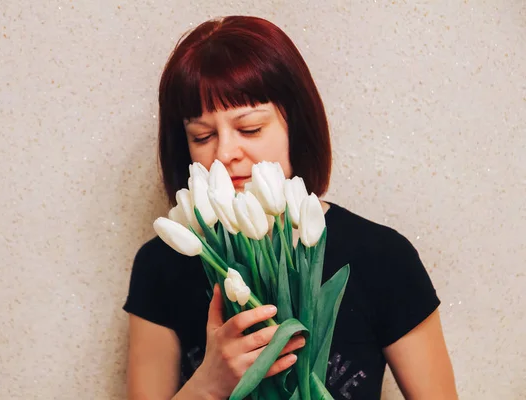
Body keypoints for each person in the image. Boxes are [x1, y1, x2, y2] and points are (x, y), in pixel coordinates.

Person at [123, 15, 457, 400]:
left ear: (295, 125)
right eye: (203, 135)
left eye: (250, 128)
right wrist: (208, 384)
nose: (226, 153)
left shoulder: (383, 258)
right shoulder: (160, 267)